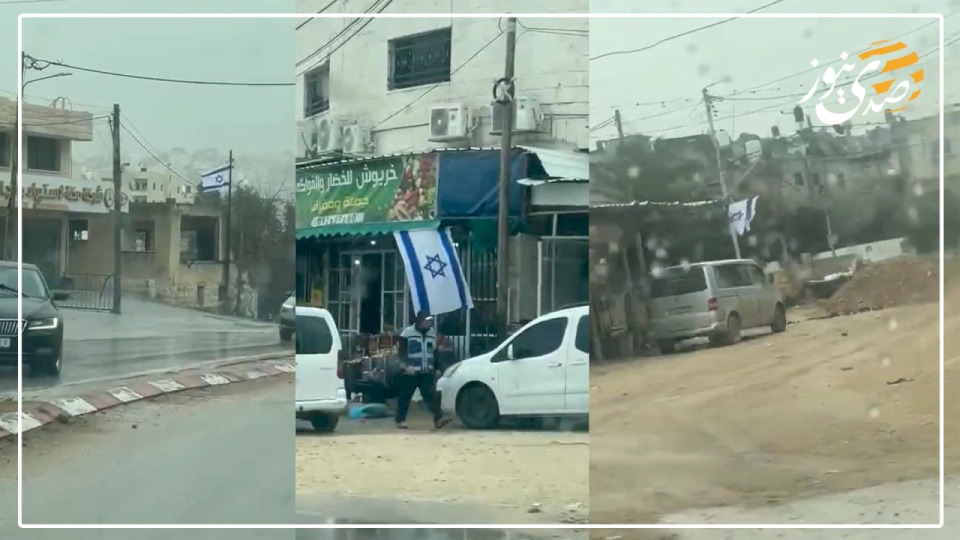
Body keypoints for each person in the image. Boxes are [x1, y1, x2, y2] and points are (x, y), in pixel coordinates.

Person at [395, 310, 452, 430]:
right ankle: (400, 420)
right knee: (405, 396)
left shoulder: (432, 334)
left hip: (426, 371)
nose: (429, 323)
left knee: (430, 396)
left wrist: (437, 368)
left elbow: (435, 353)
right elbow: (402, 352)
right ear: (419, 321)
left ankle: (438, 419)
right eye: (426, 321)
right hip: (410, 372)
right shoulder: (407, 333)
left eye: (430, 321)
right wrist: (406, 366)